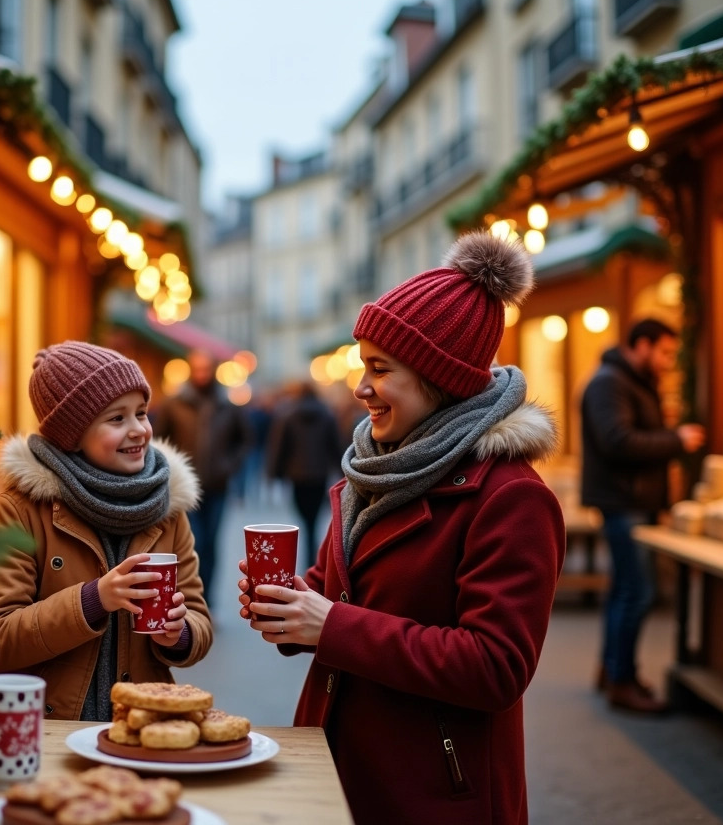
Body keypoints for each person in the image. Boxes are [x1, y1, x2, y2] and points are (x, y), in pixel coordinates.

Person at [237, 232, 566, 825]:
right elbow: (336, 590)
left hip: (434, 789)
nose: (360, 387)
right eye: (362, 365)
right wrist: (287, 608)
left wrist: (330, 625)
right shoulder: (374, 467)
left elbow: (496, 667)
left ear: (435, 379)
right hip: (338, 759)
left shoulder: (511, 496)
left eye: (379, 369)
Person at [0, 341, 212, 721]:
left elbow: (198, 617)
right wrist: (94, 598)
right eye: (116, 419)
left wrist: (180, 635)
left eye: (141, 413)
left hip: (141, 727)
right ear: (73, 435)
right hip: (51, 733)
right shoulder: (20, 510)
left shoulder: (167, 508)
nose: (138, 430)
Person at [580, 318, 705, 714]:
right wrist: (677, 440)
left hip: (631, 502)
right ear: (643, 345)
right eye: (665, 352)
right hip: (623, 503)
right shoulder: (610, 383)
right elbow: (618, 442)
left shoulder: (628, 381)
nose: (669, 361)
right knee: (638, 592)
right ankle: (622, 680)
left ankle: (613, 671)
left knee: (625, 590)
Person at [151, 348, 251, 607]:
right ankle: (186, 601)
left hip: (217, 486)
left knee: (211, 545)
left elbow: (244, 441)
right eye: (197, 369)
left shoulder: (227, 405)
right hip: (185, 489)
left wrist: (228, 466)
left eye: (206, 368)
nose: (202, 374)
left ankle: (207, 603)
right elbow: (158, 441)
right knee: (191, 544)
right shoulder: (174, 403)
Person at [266, 381, 342, 571]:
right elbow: (335, 445)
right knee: (314, 519)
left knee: (304, 517)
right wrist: (342, 471)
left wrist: (275, 473)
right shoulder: (327, 415)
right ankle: (312, 557)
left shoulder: (288, 415)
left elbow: (279, 446)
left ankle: (310, 558)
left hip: (297, 475)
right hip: (319, 474)